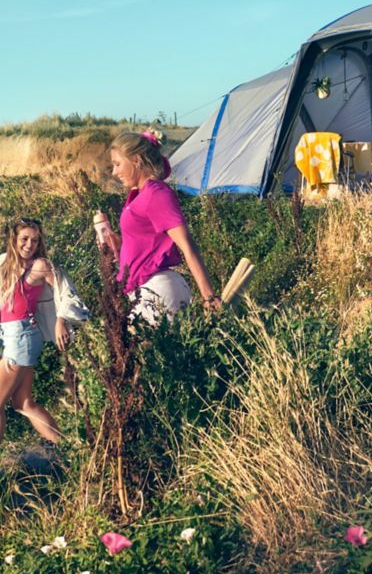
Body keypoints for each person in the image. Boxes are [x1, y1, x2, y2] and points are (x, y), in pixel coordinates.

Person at [103, 129, 221, 324]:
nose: (114, 172)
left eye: (117, 164)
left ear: (136, 160)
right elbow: (148, 242)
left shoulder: (156, 194)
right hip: (144, 290)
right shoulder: (139, 194)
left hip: (158, 289)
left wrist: (208, 296)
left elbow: (187, 245)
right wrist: (120, 243)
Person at [0, 217, 89, 444]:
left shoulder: (39, 266)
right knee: (23, 402)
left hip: (22, 338)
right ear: (14, 239)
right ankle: (71, 450)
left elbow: (63, 290)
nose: (29, 245)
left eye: (35, 240)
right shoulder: (4, 264)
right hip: (12, 336)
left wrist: (60, 320)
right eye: (25, 239)